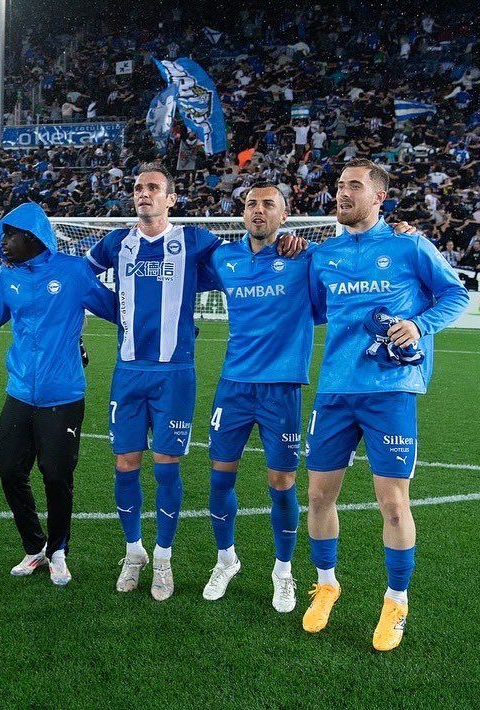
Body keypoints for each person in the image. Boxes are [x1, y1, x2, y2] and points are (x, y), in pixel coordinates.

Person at [85, 163, 305, 601]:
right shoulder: (115, 243)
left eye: (154, 188)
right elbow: (79, 279)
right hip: (127, 371)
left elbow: (245, 254)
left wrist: (285, 240)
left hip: (176, 375)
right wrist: (119, 311)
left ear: (171, 199)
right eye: (138, 188)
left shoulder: (194, 241)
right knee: (125, 464)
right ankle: (135, 553)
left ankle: (163, 559)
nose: (144, 194)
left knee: (167, 467)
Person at [305, 158, 469, 651]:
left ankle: (396, 600)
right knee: (318, 497)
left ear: (379, 197)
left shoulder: (409, 245)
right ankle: (327, 583)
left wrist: (419, 325)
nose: (342, 193)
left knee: (393, 504)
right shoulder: (324, 255)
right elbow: (313, 309)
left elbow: (456, 294)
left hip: (391, 391)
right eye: (338, 185)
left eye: (353, 186)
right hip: (334, 390)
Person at [0, 203, 117, 586]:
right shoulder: (8, 278)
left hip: (62, 395)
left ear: (31, 237)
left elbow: (117, 310)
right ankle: (34, 547)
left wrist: (169, 326)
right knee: (10, 470)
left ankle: (58, 550)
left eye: (9, 236)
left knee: (56, 476)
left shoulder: (74, 272)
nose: (3, 244)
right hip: (19, 393)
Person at [197, 184, 315, 613]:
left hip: (281, 389)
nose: (258, 210)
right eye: (251, 204)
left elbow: (352, 258)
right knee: (219, 476)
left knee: (281, 483)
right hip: (234, 385)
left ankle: (283, 572)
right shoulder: (223, 259)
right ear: (242, 213)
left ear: (285, 215)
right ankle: (226, 560)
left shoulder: (304, 256)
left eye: (269, 204)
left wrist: (400, 230)